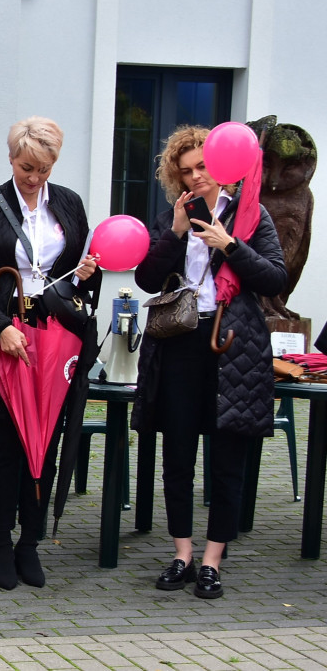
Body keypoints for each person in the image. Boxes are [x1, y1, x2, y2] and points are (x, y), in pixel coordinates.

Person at [131, 125, 287, 599]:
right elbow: (147, 279)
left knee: (227, 458)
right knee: (177, 454)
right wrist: (177, 236)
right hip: (179, 343)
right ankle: (182, 553)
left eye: (202, 167)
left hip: (233, 347)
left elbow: (275, 278)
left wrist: (230, 245)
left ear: (221, 167)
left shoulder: (251, 216)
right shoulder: (170, 218)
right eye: (185, 172)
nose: (195, 178)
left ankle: (214, 560)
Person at [0, 116, 100, 590]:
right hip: (1, 341)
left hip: (54, 338)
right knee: (0, 447)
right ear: (11, 158)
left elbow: (80, 279)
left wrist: (86, 273)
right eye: (26, 167)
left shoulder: (70, 205)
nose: (35, 178)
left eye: (44, 168)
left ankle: (29, 544)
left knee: (46, 443)